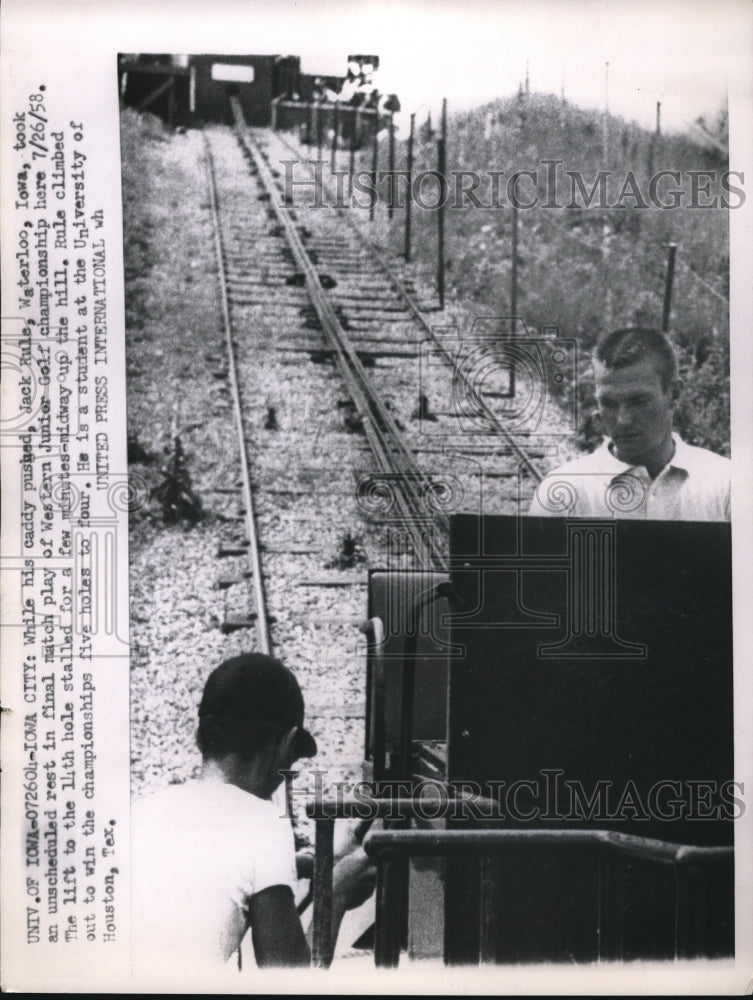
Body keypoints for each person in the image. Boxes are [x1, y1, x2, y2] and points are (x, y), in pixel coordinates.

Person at [131, 652, 375, 976]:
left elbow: (215, 863)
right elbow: (290, 984)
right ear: (287, 745)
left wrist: (307, 863)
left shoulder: (142, 812)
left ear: (199, 736)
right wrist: (336, 893)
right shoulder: (263, 823)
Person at [529, 327, 730, 520]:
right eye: (608, 403)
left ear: (674, 395)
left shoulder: (726, 486)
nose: (623, 419)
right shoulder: (562, 493)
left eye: (639, 401)